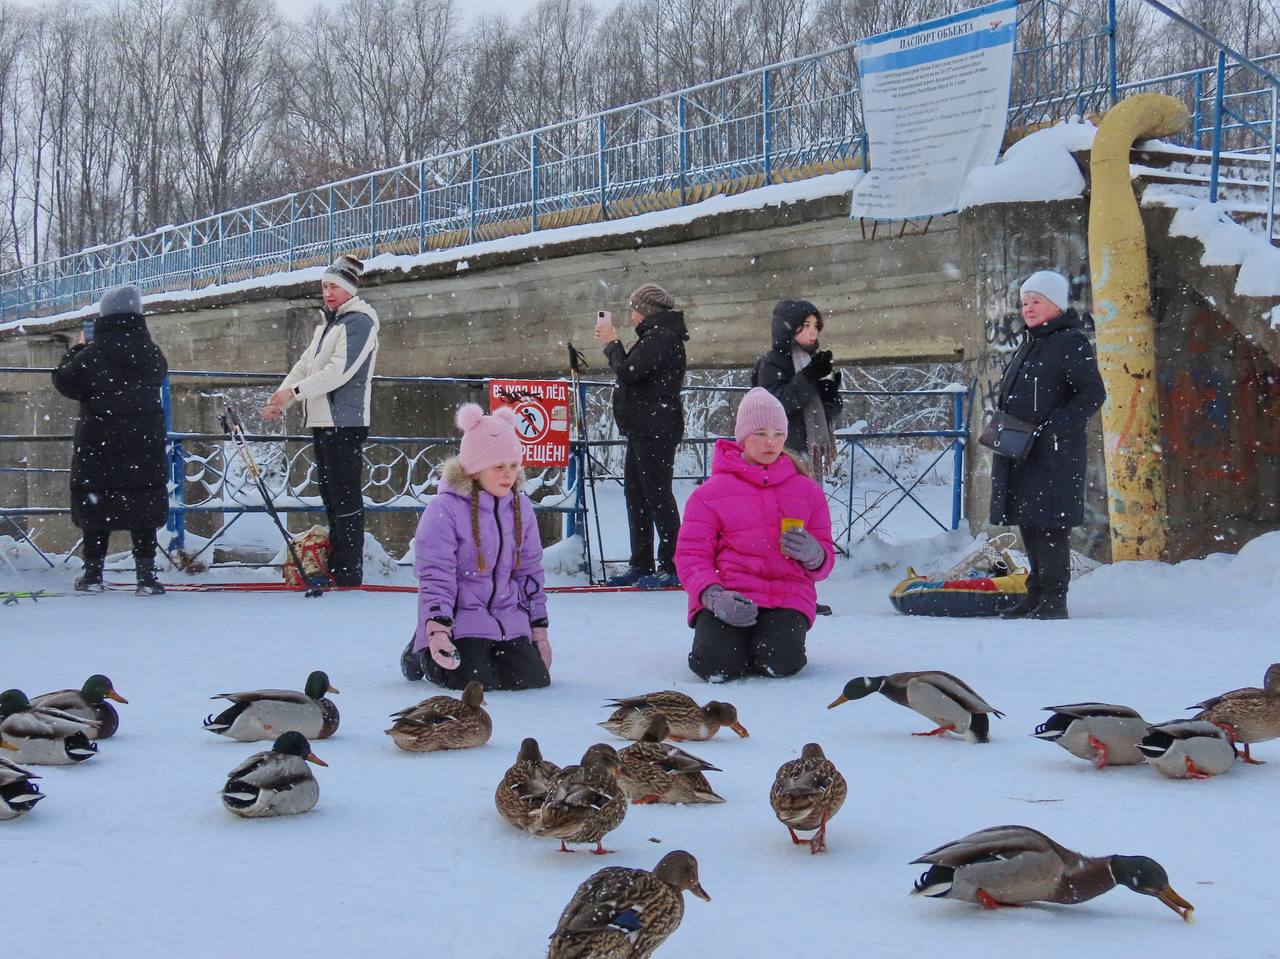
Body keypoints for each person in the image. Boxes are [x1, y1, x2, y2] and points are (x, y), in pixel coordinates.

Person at [675, 388, 835, 682]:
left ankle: (762, 644)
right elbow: (691, 556)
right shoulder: (709, 494)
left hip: (787, 596)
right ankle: (728, 644)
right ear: (743, 437)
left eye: (778, 433)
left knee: (781, 662)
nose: (770, 442)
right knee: (716, 666)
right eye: (760, 433)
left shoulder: (807, 490)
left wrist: (815, 554)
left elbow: (825, 559)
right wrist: (713, 596)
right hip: (728, 592)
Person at [399, 403, 551, 691]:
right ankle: (420, 653)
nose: (508, 475)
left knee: (533, 679)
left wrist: (538, 630)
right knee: (476, 681)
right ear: (475, 469)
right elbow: (436, 575)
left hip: (508, 617)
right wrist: (438, 628)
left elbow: (529, 571)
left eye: (513, 466)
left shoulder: (521, 508)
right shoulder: (444, 509)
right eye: (498, 467)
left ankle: (494, 650)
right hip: (460, 619)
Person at [990, 270, 1106, 621]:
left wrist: (1056, 428)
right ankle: (1035, 594)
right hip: (1022, 448)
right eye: (1025, 302)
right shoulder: (1031, 341)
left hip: (1054, 453)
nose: (1028, 308)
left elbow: (1092, 393)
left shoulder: (1070, 342)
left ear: (1056, 304)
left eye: (1036, 301)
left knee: (1052, 524)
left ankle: (1055, 599)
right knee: (1029, 519)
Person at [263, 255, 379, 586]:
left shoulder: (359, 322)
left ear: (349, 290)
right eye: (325, 286)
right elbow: (304, 365)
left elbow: (338, 372)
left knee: (345, 498)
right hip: (321, 419)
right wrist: (281, 398)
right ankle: (337, 563)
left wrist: (294, 393)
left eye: (334, 287)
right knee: (330, 495)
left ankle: (348, 570)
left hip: (345, 421)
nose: (328, 293)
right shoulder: (327, 324)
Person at [51, 284, 169, 595]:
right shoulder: (151, 352)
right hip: (142, 443)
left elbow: (65, 381)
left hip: (99, 443)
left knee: (96, 504)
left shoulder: (93, 355)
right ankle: (146, 575)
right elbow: (159, 375)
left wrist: (77, 349)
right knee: (143, 502)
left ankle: (92, 574)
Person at [594, 283, 688, 589]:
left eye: (635, 308)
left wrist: (613, 344)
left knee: (657, 494)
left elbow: (628, 371)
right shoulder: (655, 337)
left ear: (645, 312)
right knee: (637, 494)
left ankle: (673, 563)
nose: (631, 315)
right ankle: (642, 562)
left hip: (655, 429)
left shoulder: (661, 338)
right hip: (644, 428)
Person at [753, 298, 843, 479]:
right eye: (806, 325)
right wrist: (809, 376)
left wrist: (830, 394)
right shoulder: (771, 362)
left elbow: (826, 416)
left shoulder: (812, 361)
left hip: (810, 453)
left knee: (810, 504)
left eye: (816, 326)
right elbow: (776, 405)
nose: (813, 332)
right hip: (781, 453)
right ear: (788, 328)